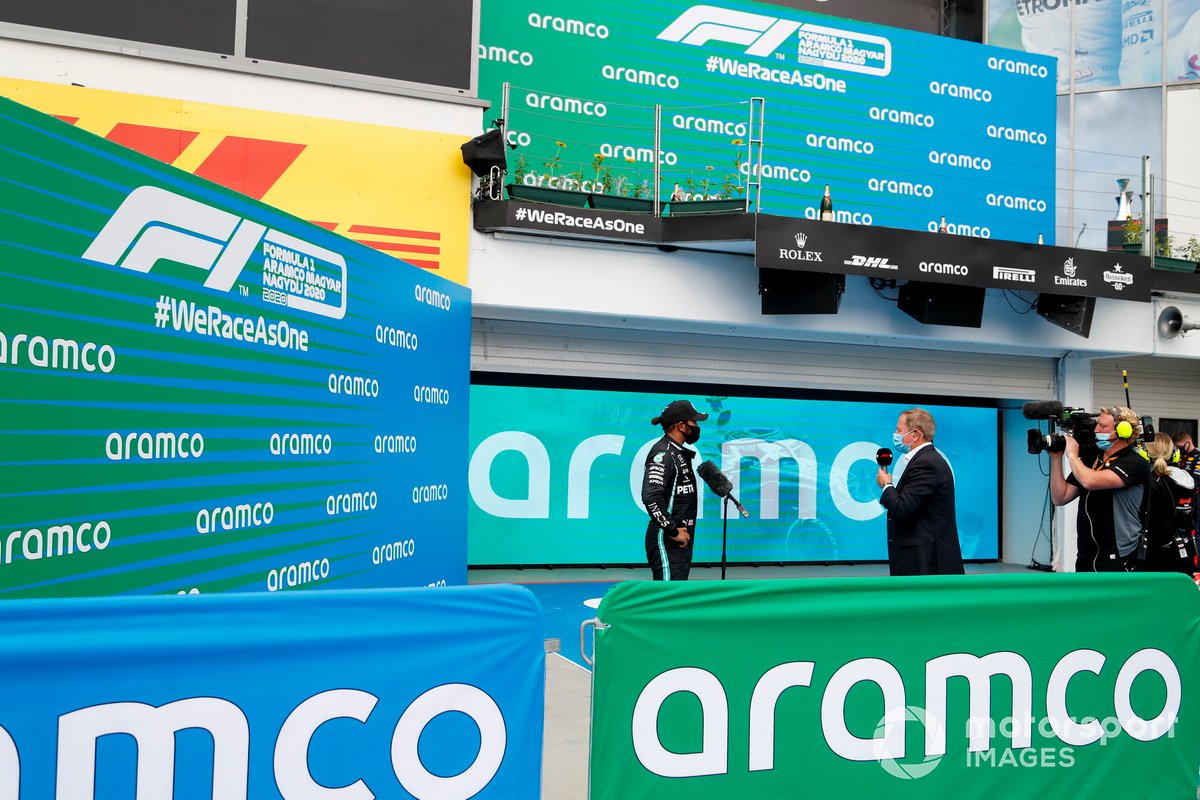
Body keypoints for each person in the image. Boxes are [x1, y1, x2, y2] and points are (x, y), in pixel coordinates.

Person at [1050, 406, 1149, 572]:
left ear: (1123, 432)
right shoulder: (1092, 460)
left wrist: (1073, 456)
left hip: (1117, 555)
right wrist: (1056, 459)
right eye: (1096, 425)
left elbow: (1090, 481)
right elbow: (1060, 497)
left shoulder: (1134, 463)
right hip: (1086, 554)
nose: (1096, 430)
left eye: (1103, 426)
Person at [875, 408, 965, 576]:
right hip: (920, 558)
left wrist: (887, 485)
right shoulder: (925, 460)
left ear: (915, 434)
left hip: (924, 561)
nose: (895, 434)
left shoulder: (926, 464)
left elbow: (903, 508)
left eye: (899, 430)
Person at [641, 399, 708, 581]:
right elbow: (651, 497)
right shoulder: (663, 454)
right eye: (693, 422)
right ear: (681, 425)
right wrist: (673, 531)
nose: (696, 426)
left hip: (679, 539)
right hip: (667, 539)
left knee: (674, 598)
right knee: (667, 600)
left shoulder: (677, 452)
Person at [1139, 433, 1197, 574]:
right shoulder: (1187, 478)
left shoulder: (1151, 482)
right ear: (1174, 453)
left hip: (1156, 555)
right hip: (1184, 548)